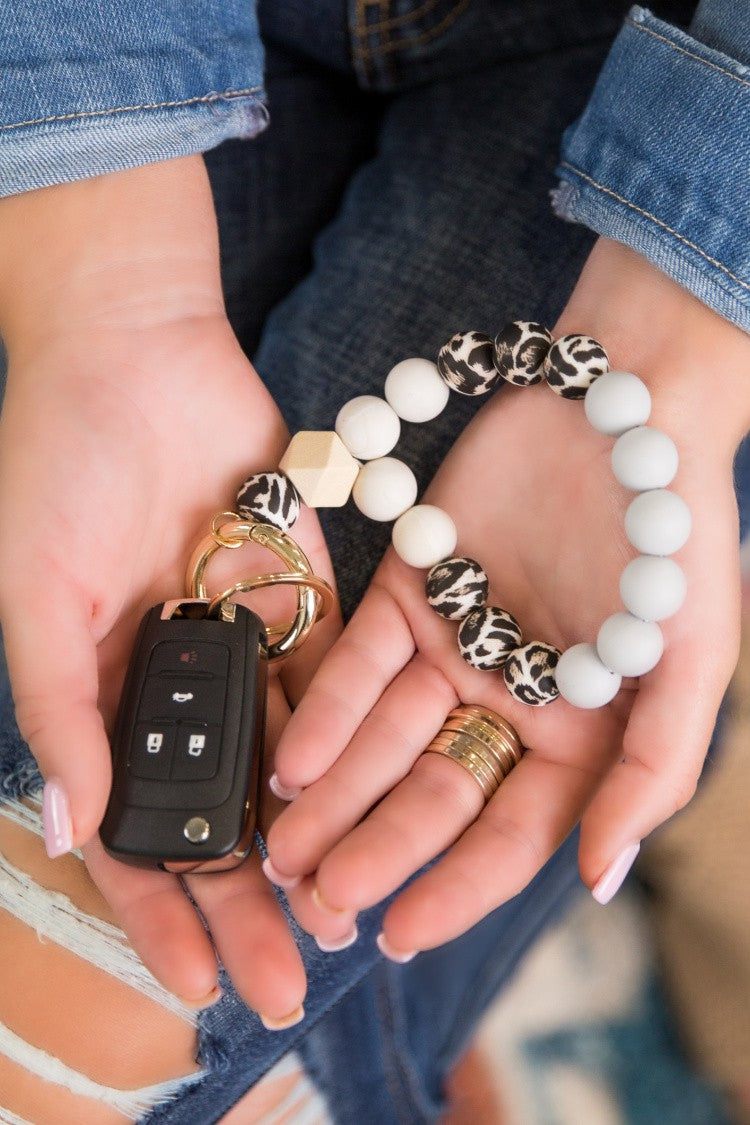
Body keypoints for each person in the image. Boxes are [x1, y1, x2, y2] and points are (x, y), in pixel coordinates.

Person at [0, 0, 748, 1120]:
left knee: (83, 1030)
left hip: (666, 81)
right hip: (117, 45)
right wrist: (100, 281)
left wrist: (695, 313)